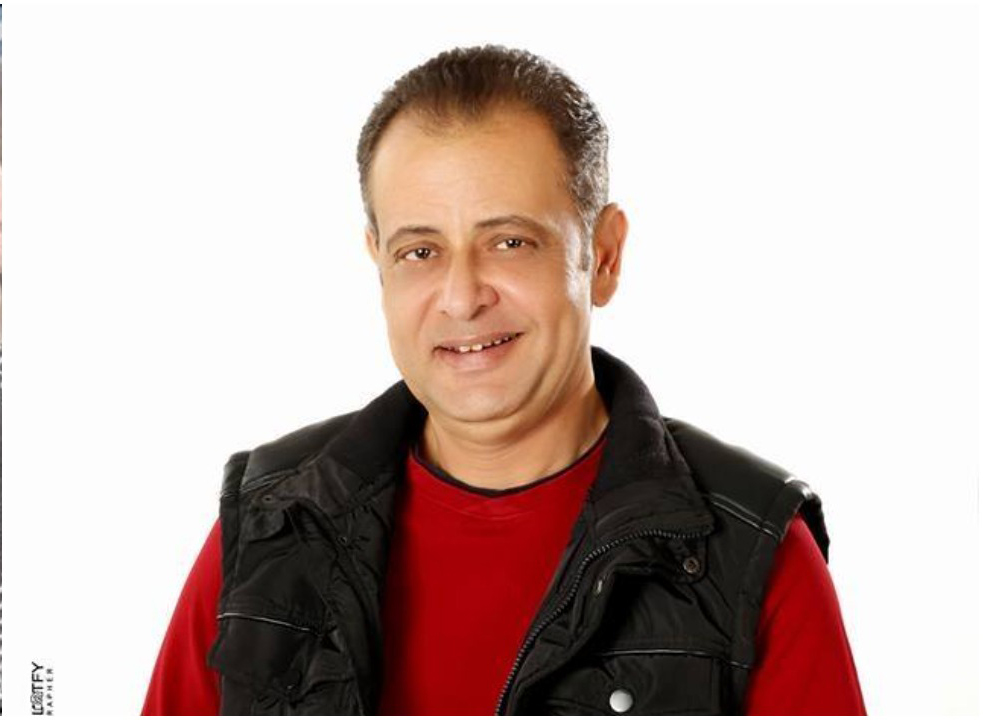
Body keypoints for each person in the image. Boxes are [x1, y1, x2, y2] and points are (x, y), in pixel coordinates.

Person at [142, 45, 866, 715]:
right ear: (378, 263)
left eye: (510, 242)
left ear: (603, 257)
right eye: (420, 251)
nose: (461, 297)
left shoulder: (750, 552)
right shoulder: (270, 525)